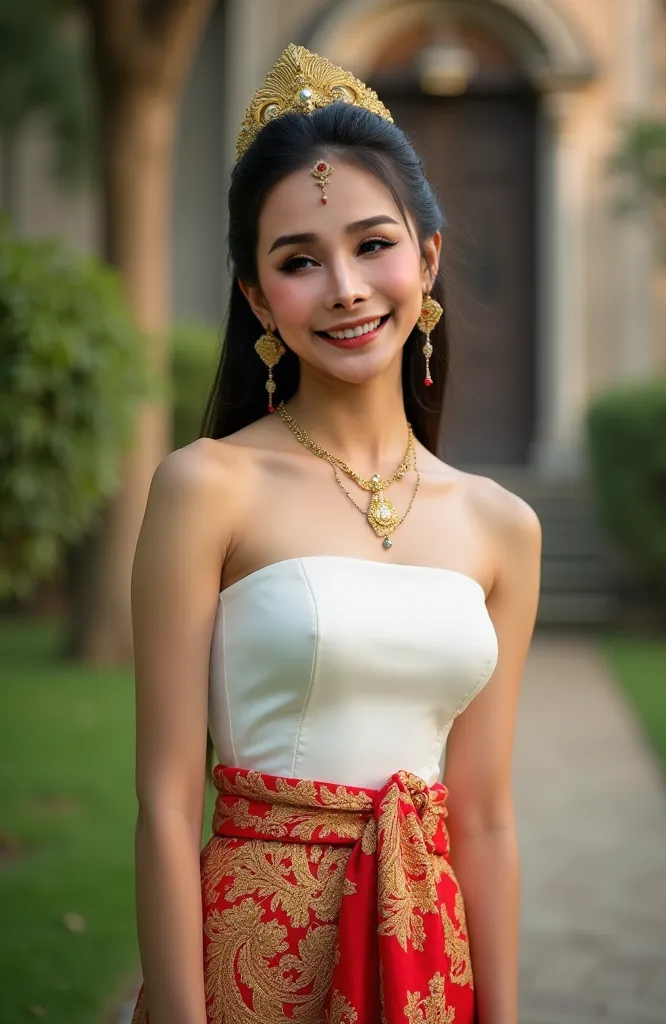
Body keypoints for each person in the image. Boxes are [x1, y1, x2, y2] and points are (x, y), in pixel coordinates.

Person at [129, 43, 541, 1024]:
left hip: (425, 968)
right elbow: (162, 802)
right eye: (299, 262)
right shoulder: (207, 486)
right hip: (248, 965)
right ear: (257, 297)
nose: (347, 287)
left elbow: (480, 816)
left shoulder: (501, 526)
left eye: (372, 244)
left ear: (427, 255)